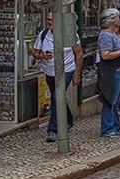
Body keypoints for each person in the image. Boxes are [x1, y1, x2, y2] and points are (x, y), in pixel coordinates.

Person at [31, 10, 83, 143]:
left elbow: (79, 54)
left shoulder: (70, 35)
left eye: (52, 20)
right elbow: (35, 53)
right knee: (58, 98)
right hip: (49, 71)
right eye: (48, 20)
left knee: (56, 97)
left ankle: (52, 130)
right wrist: (43, 56)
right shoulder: (43, 34)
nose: (49, 22)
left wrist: (77, 73)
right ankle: (69, 120)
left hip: (67, 70)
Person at [96, 8, 120, 137]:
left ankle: (116, 126)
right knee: (110, 100)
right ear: (111, 21)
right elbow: (105, 55)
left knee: (116, 101)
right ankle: (108, 128)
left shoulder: (111, 34)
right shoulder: (106, 35)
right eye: (117, 18)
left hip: (119, 71)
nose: (119, 20)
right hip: (112, 72)